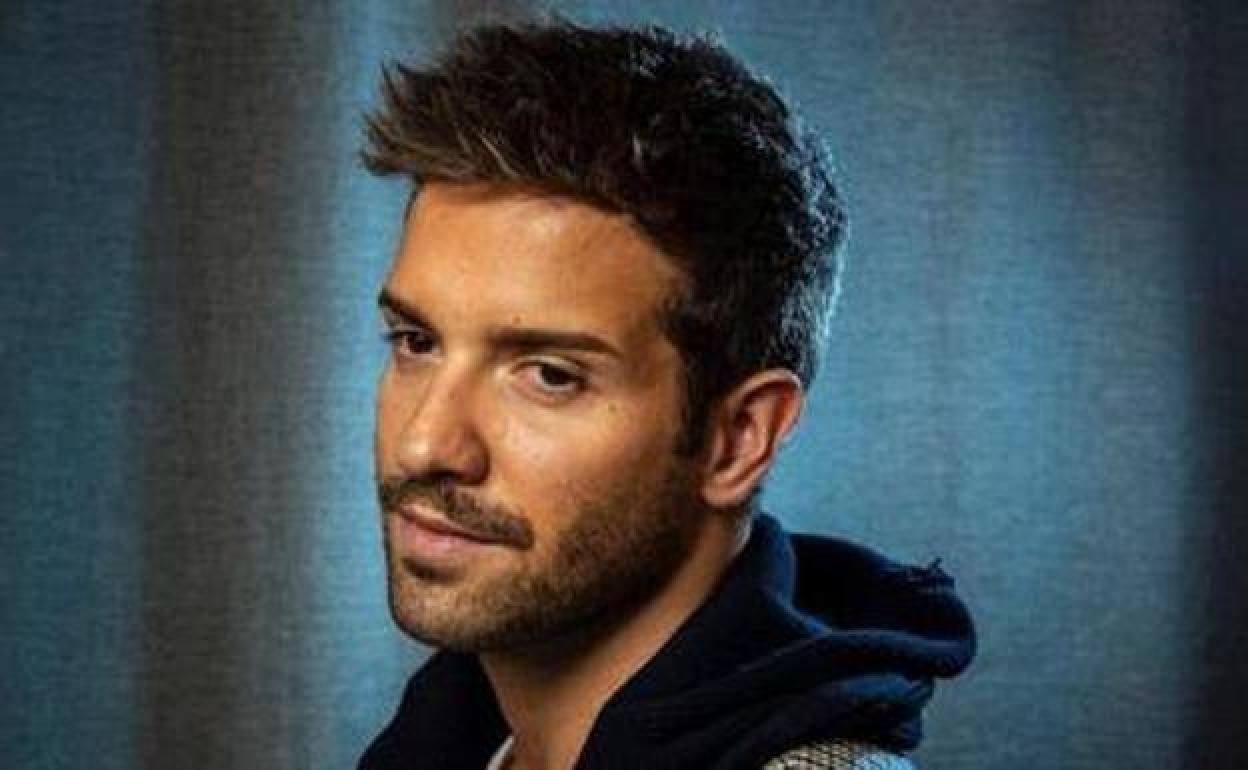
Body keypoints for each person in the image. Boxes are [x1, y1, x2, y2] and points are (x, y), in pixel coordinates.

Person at [357, 19, 974, 770]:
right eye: (416, 342)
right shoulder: (443, 741)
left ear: (739, 439)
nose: (425, 443)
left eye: (550, 375)